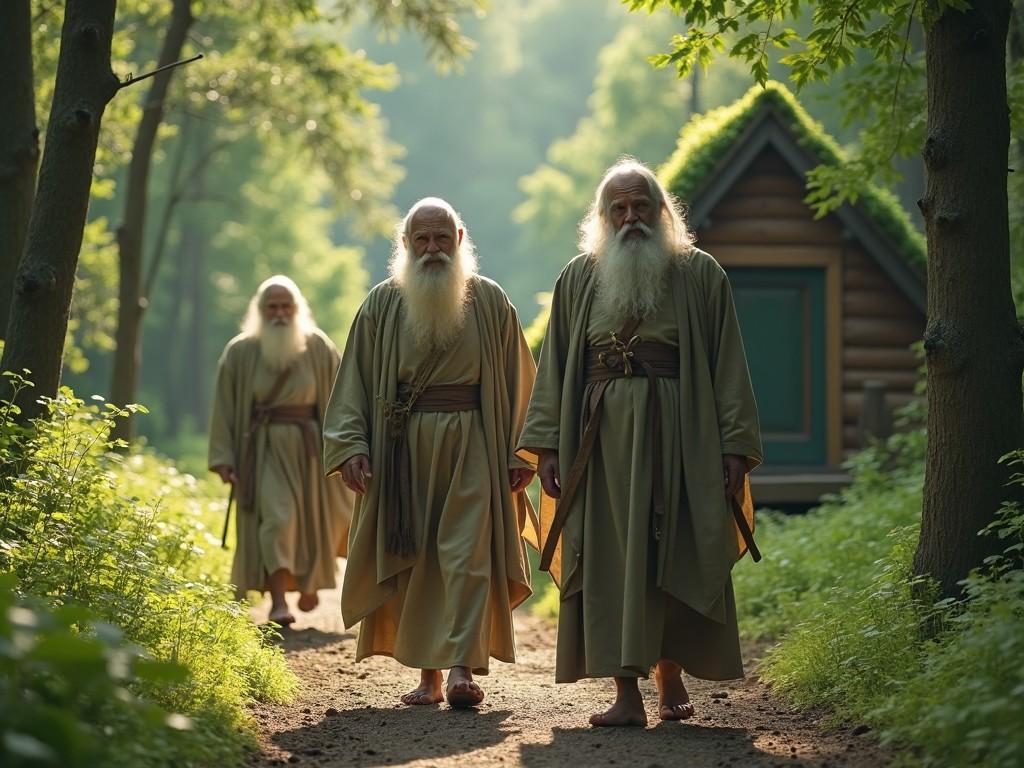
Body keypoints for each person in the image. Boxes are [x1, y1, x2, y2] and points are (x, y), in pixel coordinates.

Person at [518, 159, 762, 727]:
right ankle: (625, 693)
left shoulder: (701, 274)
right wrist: (549, 447)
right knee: (607, 558)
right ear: (603, 218)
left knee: (674, 546)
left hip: (682, 436)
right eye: (618, 209)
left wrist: (732, 448)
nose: (631, 218)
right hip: (596, 446)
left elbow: (728, 366)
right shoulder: (578, 277)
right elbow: (554, 367)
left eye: (641, 206)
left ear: (661, 212)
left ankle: (669, 670)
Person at [323, 197, 537, 708]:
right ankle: (429, 677)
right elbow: (351, 382)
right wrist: (353, 445)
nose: (433, 248)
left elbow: (519, 380)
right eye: (422, 239)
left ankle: (463, 669)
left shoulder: (489, 301)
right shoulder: (381, 303)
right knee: (416, 559)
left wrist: (520, 453)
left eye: (443, 238)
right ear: (406, 244)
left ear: (460, 241)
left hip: (475, 445)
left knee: (466, 556)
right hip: (402, 452)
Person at [208, 275, 352, 625]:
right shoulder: (240, 352)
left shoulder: (318, 347)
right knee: (277, 519)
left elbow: (341, 400)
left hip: (312, 450)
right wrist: (224, 459)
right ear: (260, 311)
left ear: (297, 309)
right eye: (272, 307)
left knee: (317, 520)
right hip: (263, 450)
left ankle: (309, 581)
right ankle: (277, 601)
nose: (279, 313)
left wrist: (347, 448)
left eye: (286, 306)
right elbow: (224, 408)